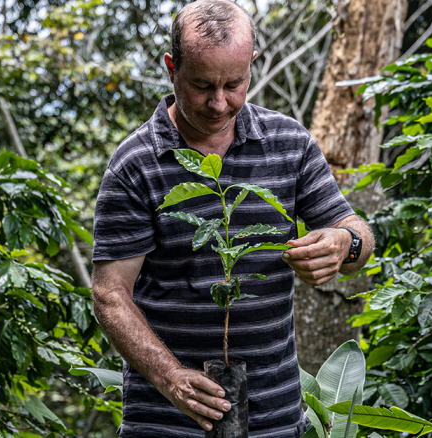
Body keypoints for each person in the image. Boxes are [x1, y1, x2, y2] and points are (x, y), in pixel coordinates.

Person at [91, 0, 374, 436]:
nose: (220, 103)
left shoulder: (289, 143)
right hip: (166, 421)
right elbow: (111, 294)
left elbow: (355, 233)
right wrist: (171, 378)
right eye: (202, 85)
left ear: (252, 66)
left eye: (235, 84)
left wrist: (343, 245)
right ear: (171, 67)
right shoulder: (136, 163)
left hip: (274, 418)